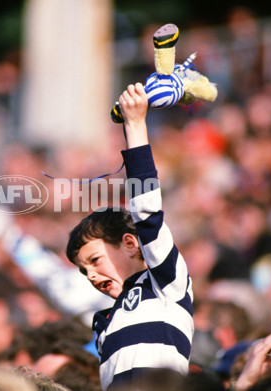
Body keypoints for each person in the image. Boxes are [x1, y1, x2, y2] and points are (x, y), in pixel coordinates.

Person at [65, 82, 194, 390]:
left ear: (129, 243)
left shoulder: (165, 284)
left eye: (95, 260)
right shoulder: (103, 323)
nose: (91, 275)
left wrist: (135, 124)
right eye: (84, 270)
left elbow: (146, 213)